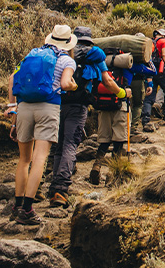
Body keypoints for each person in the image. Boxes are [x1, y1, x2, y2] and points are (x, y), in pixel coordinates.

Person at [6, 24, 78, 225]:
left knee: (24, 160)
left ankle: (17, 206)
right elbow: (65, 84)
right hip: (48, 107)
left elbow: (12, 78)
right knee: (40, 158)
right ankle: (28, 209)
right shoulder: (66, 59)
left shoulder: (33, 54)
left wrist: (13, 110)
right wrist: (73, 84)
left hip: (25, 107)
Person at [45, 26, 120, 208]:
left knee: (59, 145)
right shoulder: (95, 55)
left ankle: (53, 187)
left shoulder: (60, 53)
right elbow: (107, 81)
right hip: (79, 106)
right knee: (70, 144)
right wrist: (123, 93)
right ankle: (61, 189)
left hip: (56, 103)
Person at [89, 50, 132, 186]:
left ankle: (97, 165)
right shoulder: (126, 64)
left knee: (104, 139)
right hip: (120, 104)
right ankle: (112, 173)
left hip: (103, 105)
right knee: (119, 140)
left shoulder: (100, 64)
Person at [143, 29, 165, 129]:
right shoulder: (163, 41)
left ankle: (145, 119)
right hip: (160, 69)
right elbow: (164, 54)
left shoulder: (149, 42)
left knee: (150, 95)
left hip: (149, 70)